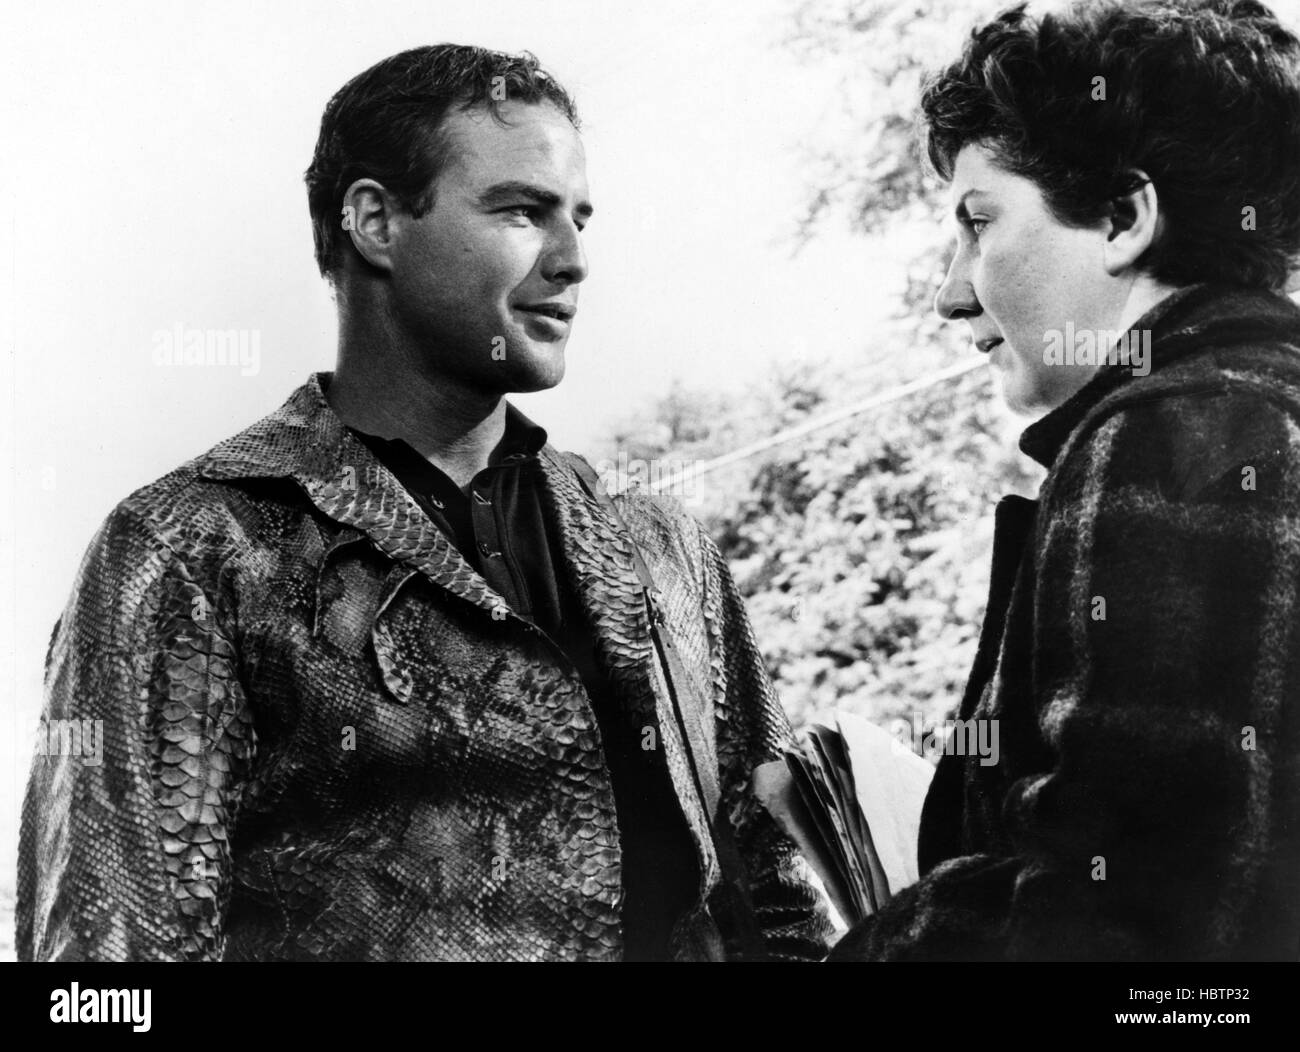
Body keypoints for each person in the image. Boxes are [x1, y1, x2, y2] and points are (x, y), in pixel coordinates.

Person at [17, 44, 832, 962]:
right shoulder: (192, 547)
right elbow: (104, 976)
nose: (572, 260)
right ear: (375, 222)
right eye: (523, 211)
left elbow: (776, 893)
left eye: (579, 219)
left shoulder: (659, 546)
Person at [830, 0, 1300, 961]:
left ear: (1125, 219)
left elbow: (1115, 919)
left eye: (978, 222)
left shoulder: (1177, 430)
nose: (950, 291)